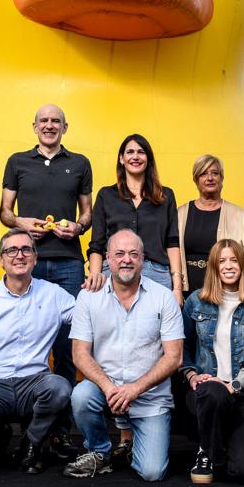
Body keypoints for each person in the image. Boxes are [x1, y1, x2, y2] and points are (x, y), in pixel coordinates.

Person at [0, 103, 93, 454]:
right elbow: (5, 212)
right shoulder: (17, 161)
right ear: (34, 126)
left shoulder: (80, 163)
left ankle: (61, 430)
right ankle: (31, 427)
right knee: (28, 345)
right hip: (29, 262)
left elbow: (87, 212)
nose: (49, 126)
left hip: (69, 262)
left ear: (65, 127)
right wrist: (23, 223)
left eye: (56, 121)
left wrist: (79, 226)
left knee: (68, 349)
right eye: (44, 121)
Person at [86, 135, 182, 459]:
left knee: (153, 351)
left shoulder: (164, 196)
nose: (136, 156)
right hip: (117, 273)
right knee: (117, 346)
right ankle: (124, 433)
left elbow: (172, 242)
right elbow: (97, 242)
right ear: (121, 159)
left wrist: (177, 285)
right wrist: (96, 274)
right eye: (130, 152)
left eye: (141, 152)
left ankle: (153, 421)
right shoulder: (107, 196)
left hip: (156, 273)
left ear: (148, 158)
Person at [65, 229, 184, 482]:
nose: (126, 259)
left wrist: (134, 389)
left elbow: (174, 357)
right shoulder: (88, 297)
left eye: (133, 254)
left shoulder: (163, 297)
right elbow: (79, 354)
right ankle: (99, 451)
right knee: (81, 395)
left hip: (150, 395)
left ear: (142, 259)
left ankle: (136, 444)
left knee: (152, 472)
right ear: (107, 258)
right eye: (119, 254)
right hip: (105, 389)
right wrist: (109, 388)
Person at [0, 229, 76, 473]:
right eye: (11, 250)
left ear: (35, 257)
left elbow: (86, 317)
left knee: (60, 388)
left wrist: (105, 288)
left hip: (35, 383)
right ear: (0, 259)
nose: (19, 255)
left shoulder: (54, 294)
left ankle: (30, 443)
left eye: (26, 249)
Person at [179, 239, 244, 484]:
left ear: (242, 265)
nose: (228, 266)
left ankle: (223, 442)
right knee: (213, 393)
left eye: (233, 260)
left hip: (242, 392)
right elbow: (183, 348)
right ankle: (207, 451)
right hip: (206, 390)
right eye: (222, 261)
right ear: (213, 267)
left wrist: (236, 385)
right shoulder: (195, 302)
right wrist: (191, 375)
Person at [177, 155, 244, 297]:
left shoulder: (239, 214)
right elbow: (172, 254)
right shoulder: (179, 214)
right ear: (196, 180)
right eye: (203, 173)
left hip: (227, 291)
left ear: (222, 178)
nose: (210, 178)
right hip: (188, 291)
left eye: (215, 173)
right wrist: (176, 289)